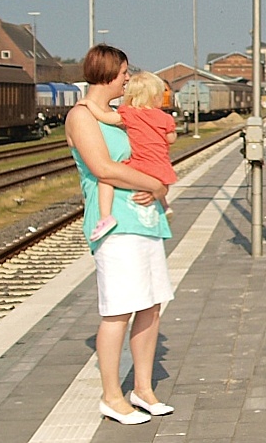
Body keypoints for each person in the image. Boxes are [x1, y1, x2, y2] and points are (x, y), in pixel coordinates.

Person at [67, 45, 174, 425]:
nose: (128, 78)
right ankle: (111, 396)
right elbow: (103, 168)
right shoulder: (81, 116)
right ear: (109, 72)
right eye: (125, 72)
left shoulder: (118, 116)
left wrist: (157, 185)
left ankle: (142, 389)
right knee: (118, 310)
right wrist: (156, 185)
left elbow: (152, 149)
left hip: (145, 221)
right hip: (113, 225)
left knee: (150, 304)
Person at [80, 70, 178, 243]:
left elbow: (104, 117)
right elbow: (171, 138)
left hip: (140, 164)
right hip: (161, 166)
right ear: (155, 96)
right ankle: (165, 206)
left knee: (106, 178)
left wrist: (88, 104)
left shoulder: (130, 113)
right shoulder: (165, 117)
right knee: (155, 179)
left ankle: (105, 217)